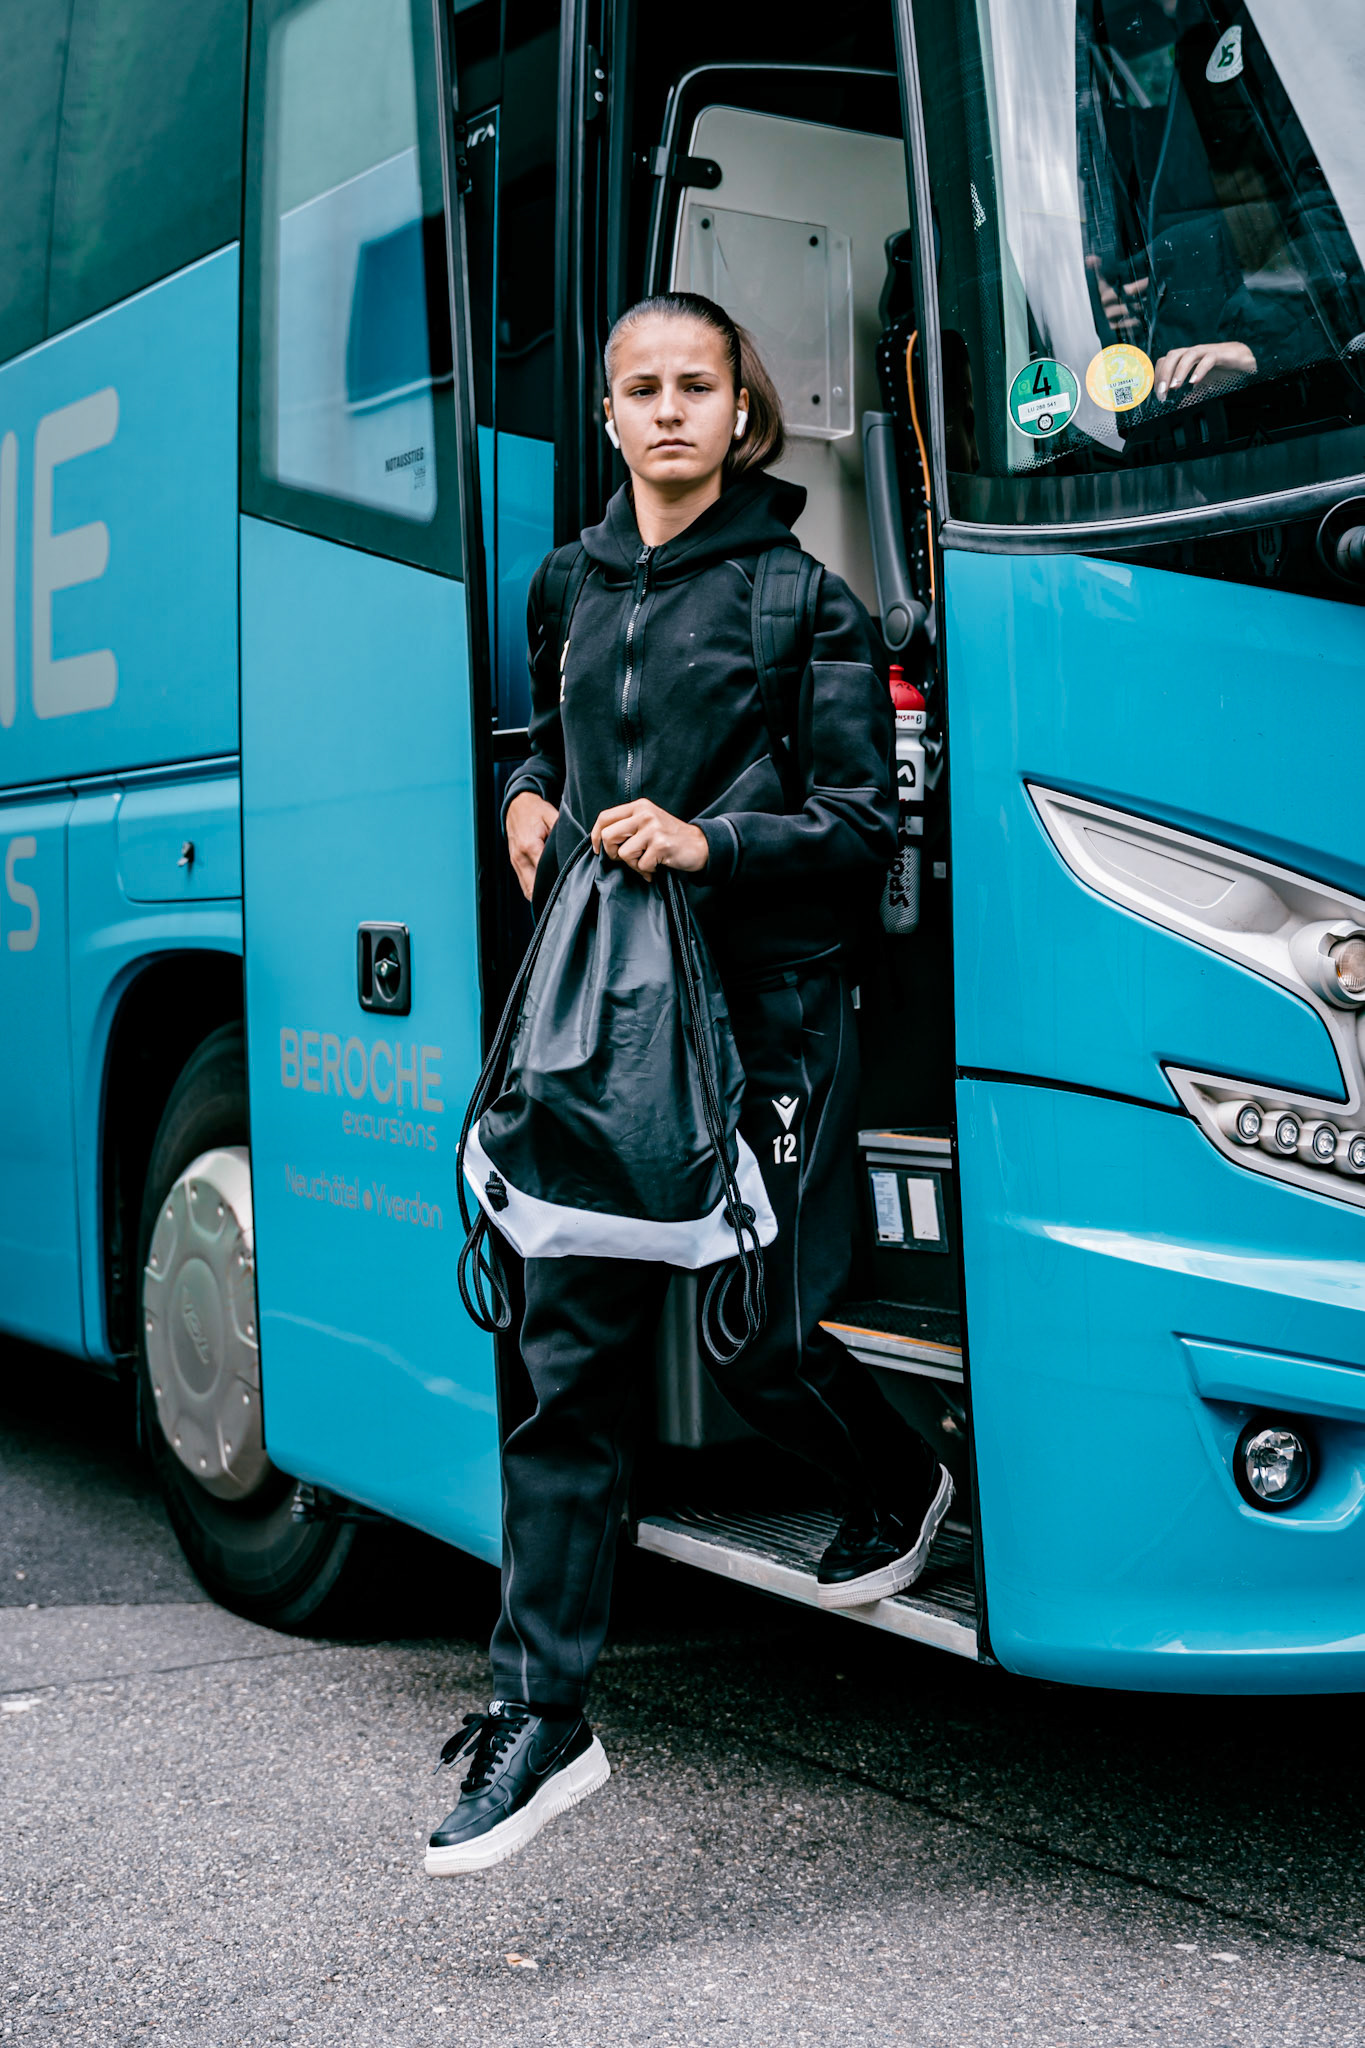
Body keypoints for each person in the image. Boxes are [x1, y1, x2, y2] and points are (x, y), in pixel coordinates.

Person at [425, 293, 950, 1877]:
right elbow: (536, 741)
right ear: (608, 413)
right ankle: (541, 1715)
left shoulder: (808, 602)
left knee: (758, 1337)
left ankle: (898, 1474)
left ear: (742, 414)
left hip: (764, 1016)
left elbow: (866, 833)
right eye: (639, 388)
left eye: (695, 386)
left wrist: (710, 841)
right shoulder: (565, 584)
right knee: (560, 1354)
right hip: (596, 1023)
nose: (666, 411)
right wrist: (529, 804)